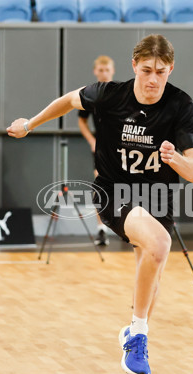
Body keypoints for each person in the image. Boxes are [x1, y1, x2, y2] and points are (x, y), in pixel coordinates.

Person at [7, 34, 193, 374]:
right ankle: (139, 338)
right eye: (146, 70)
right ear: (134, 66)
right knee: (159, 244)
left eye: (161, 71)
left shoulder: (181, 106)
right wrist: (29, 124)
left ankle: (133, 332)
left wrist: (175, 159)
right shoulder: (110, 94)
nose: (153, 79)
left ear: (171, 69)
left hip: (158, 198)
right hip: (113, 191)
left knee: (151, 264)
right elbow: (68, 101)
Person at [78, 55, 115, 246]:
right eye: (101, 70)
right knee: (101, 187)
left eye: (107, 70)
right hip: (101, 149)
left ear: (112, 71)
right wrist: (91, 140)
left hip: (121, 147)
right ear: (95, 71)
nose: (104, 73)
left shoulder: (120, 93)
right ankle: (102, 229)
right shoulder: (91, 94)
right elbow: (81, 120)